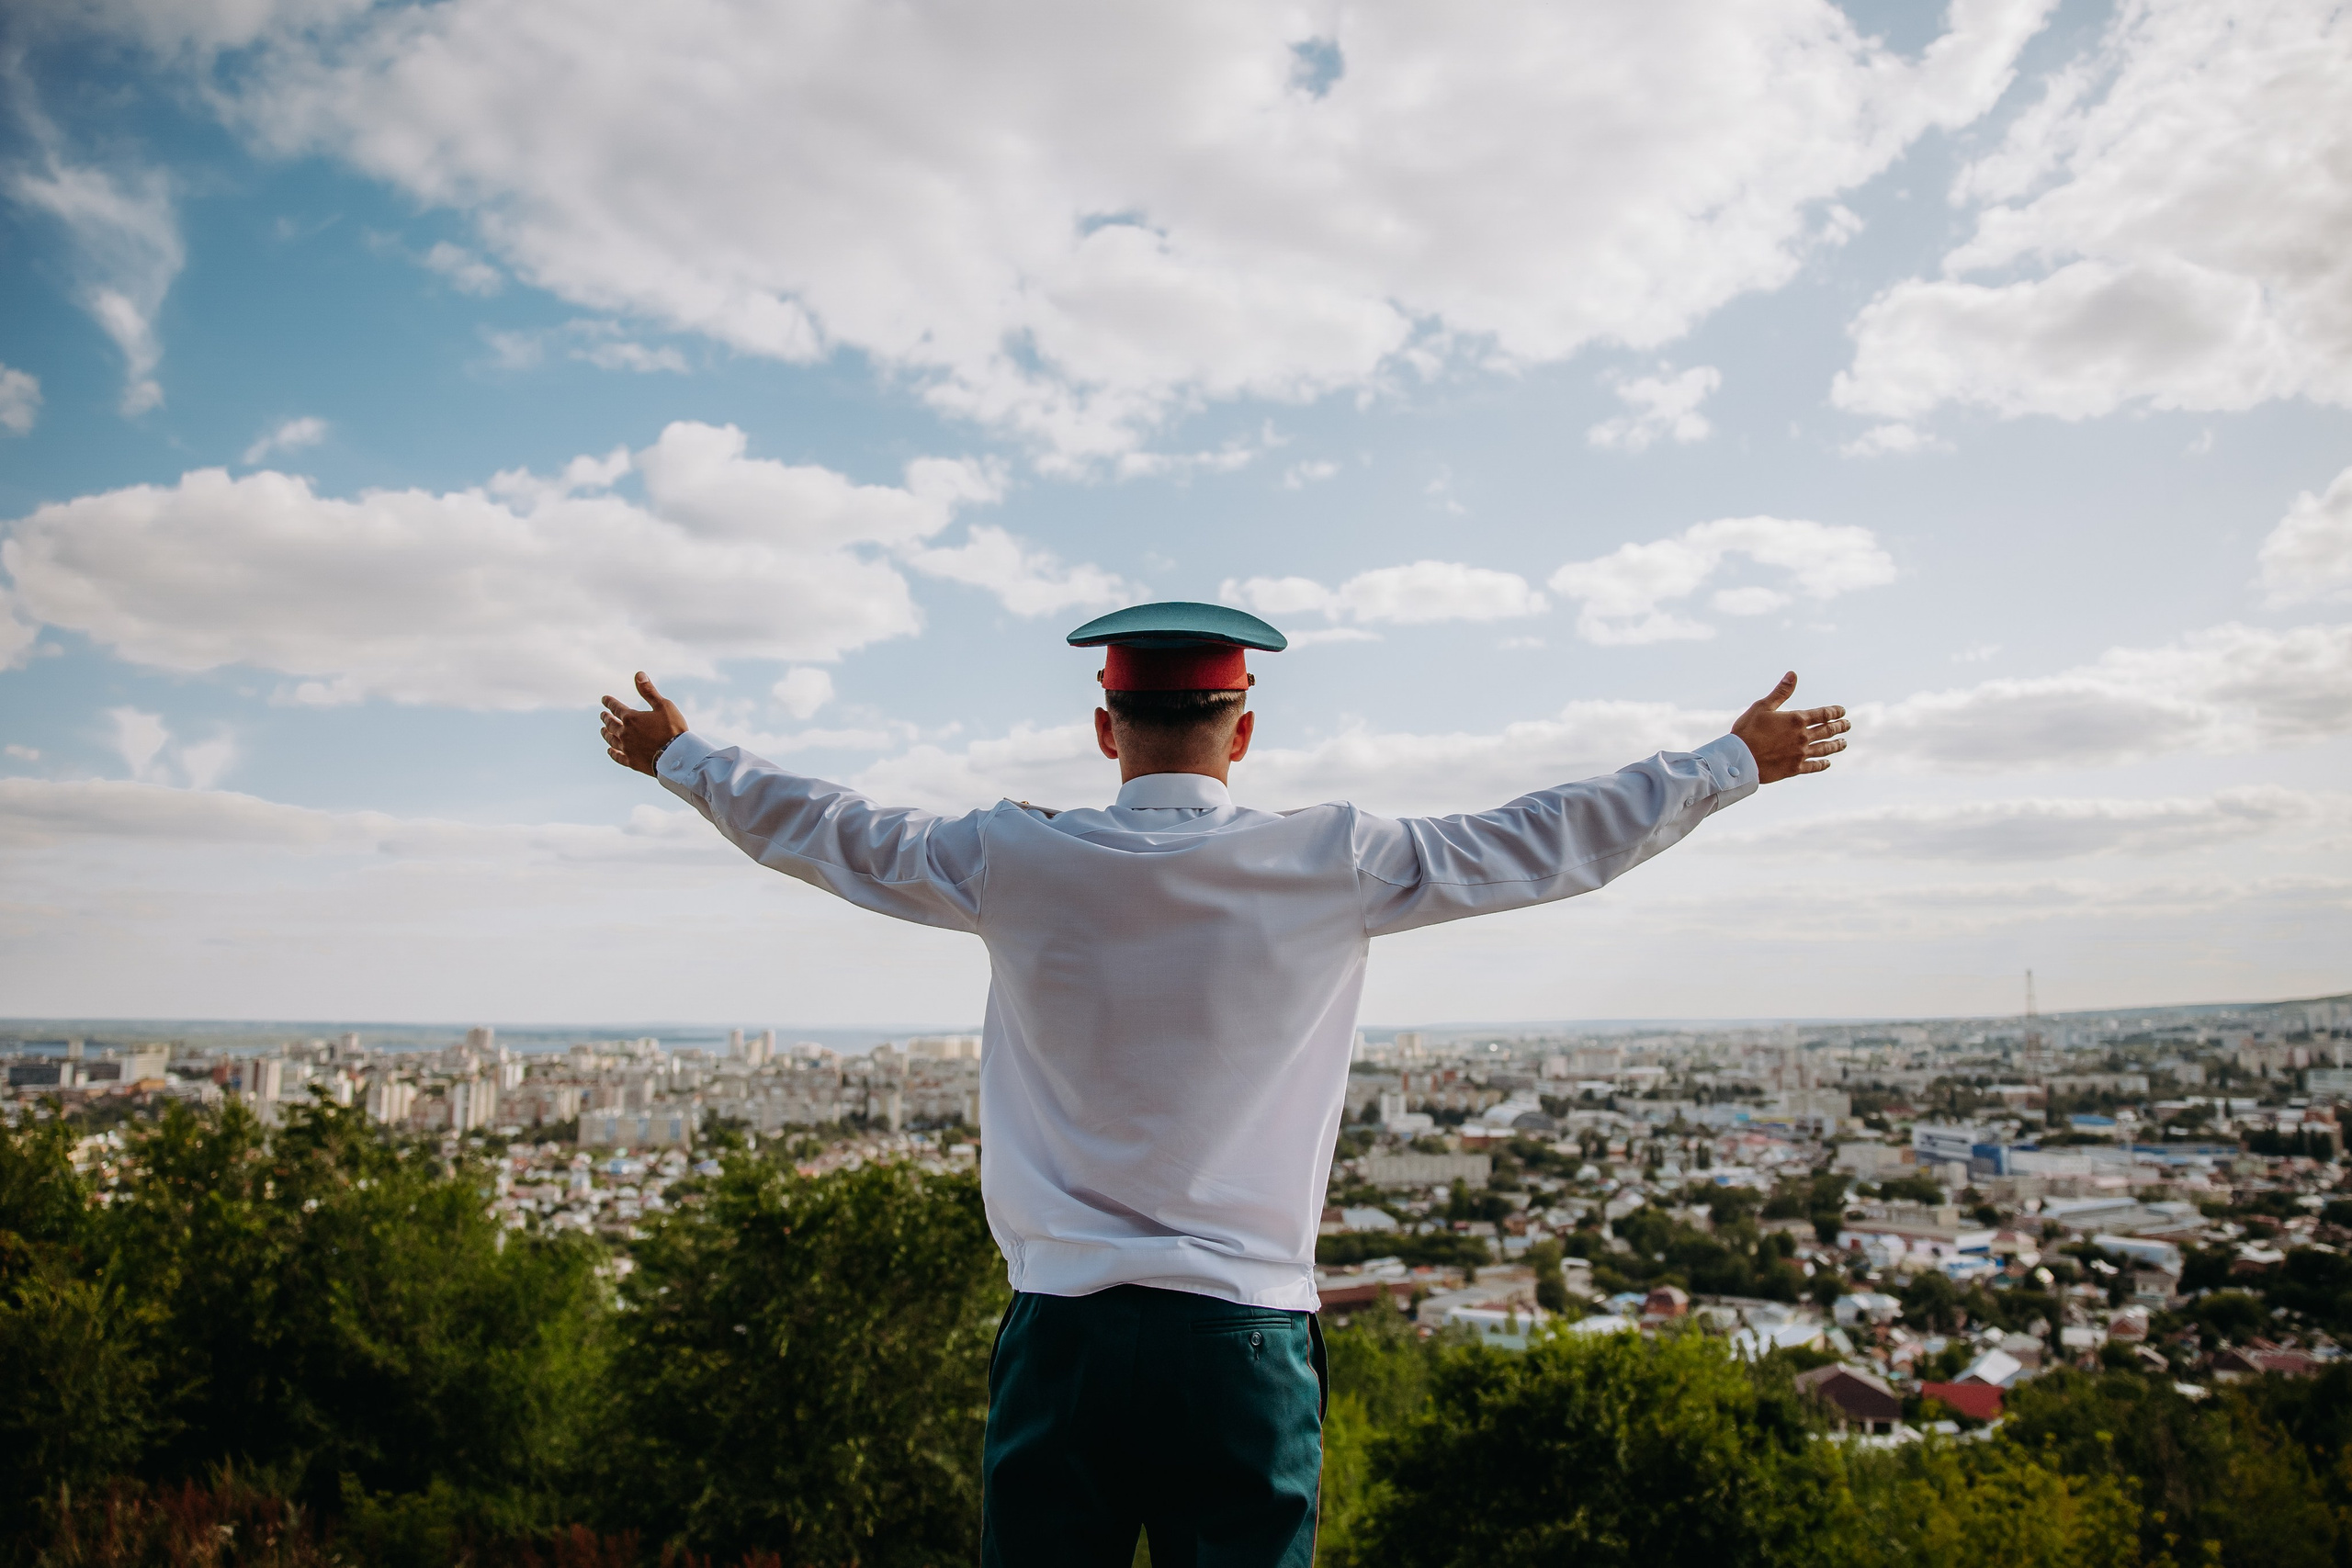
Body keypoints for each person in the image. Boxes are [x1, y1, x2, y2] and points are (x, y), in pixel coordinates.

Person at [599, 601, 1849, 1567]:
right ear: (1243, 731)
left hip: (1063, 1337)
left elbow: (829, 829)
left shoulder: (1011, 856)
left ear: (1106, 728)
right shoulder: (1333, 859)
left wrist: (684, 756)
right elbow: (1546, 838)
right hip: (1244, 1339)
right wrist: (1725, 764)